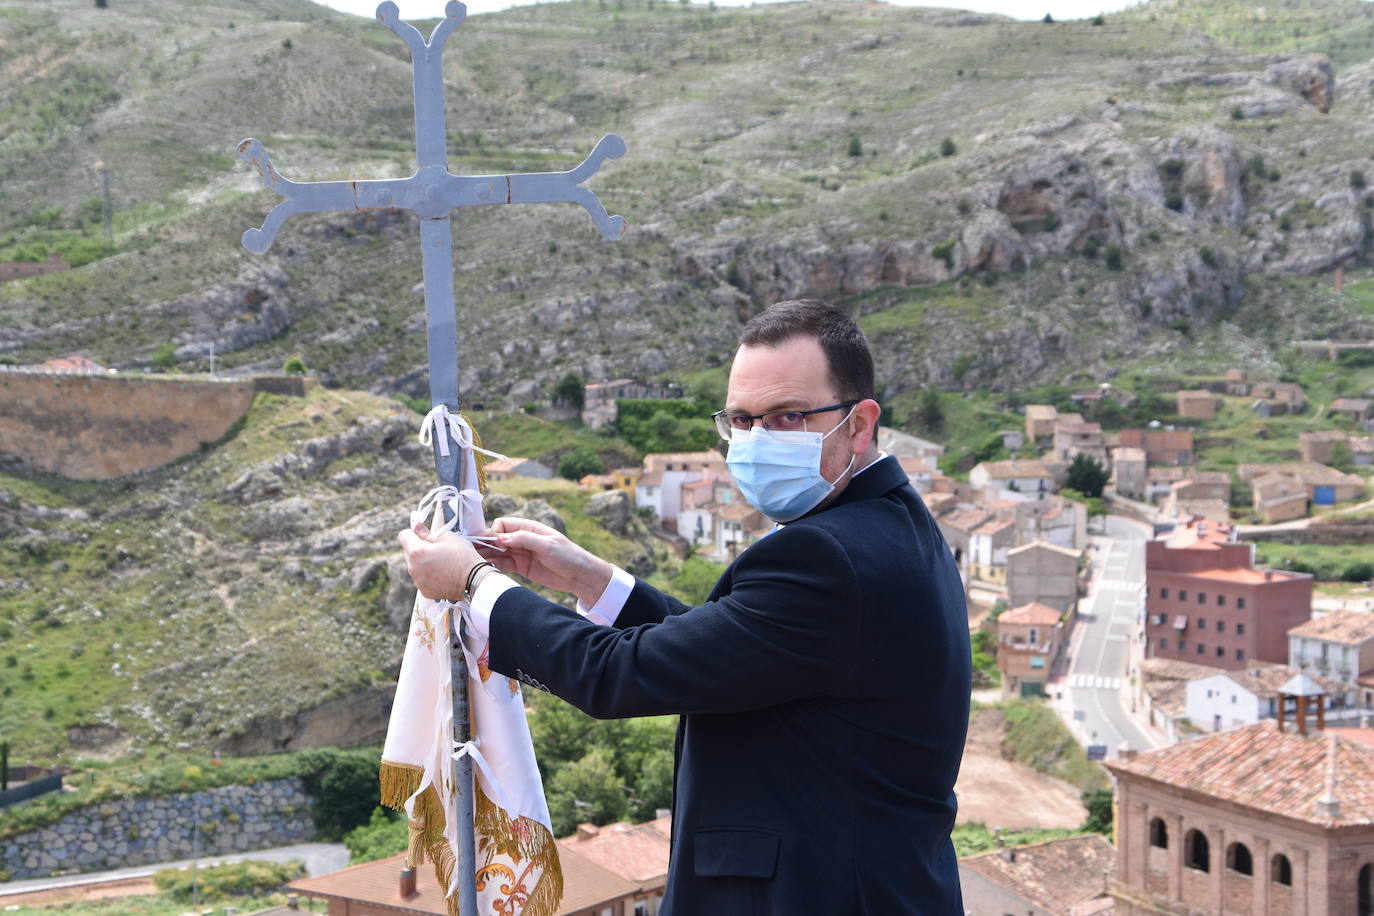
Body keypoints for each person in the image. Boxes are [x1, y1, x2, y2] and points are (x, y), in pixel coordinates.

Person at [399, 299, 971, 915]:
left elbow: (614, 676)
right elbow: (730, 652)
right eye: (741, 421)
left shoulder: (830, 554)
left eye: (786, 417)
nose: (755, 441)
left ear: (859, 424)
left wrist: (473, 581)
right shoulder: (884, 524)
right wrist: (591, 580)